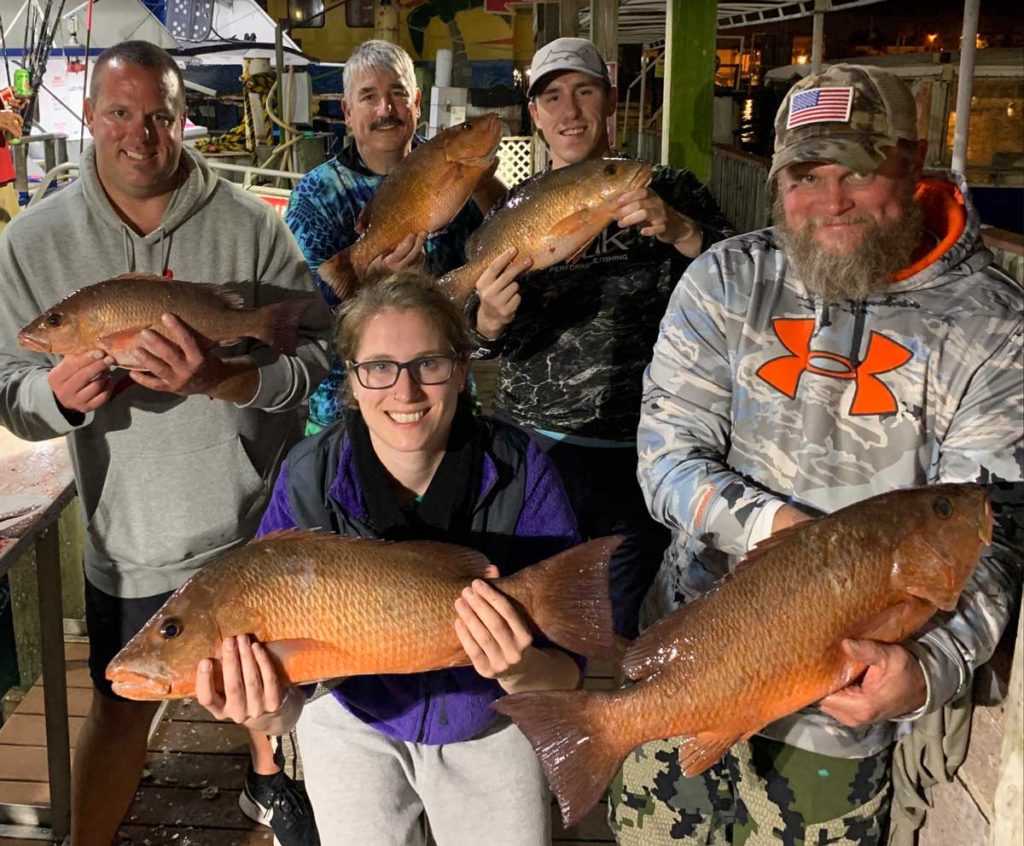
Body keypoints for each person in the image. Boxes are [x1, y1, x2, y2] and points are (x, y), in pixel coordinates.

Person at [613, 64, 1023, 843]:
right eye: (805, 175)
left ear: (912, 163)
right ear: (776, 183)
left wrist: (924, 674)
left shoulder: (994, 328)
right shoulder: (727, 280)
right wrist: (779, 535)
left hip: (840, 719)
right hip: (693, 659)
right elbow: (665, 455)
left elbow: (992, 536)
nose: (829, 202)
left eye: (858, 172)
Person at [0, 41, 331, 846]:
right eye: (119, 113)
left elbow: (321, 352)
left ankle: (270, 783)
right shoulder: (31, 243)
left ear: (183, 118)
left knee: (271, 687)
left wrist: (229, 379)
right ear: (88, 117)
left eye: (159, 116)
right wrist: (57, 396)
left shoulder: (251, 226)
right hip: (130, 540)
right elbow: (13, 389)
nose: (140, 134)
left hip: (253, 526)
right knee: (119, 706)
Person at [196, 271, 586, 845]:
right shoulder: (309, 475)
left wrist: (517, 668)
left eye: (428, 364)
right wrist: (265, 713)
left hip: (493, 719)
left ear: (460, 370)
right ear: (352, 380)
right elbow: (286, 708)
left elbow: (568, 674)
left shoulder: (523, 469)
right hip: (352, 712)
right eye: (378, 367)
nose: (404, 393)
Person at [470, 36, 733, 639]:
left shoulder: (671, 188)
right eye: (553, 97)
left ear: (610, 103)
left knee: (621, 620)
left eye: (585, 92)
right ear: (534, 115)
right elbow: (476, 340)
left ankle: (616, 722)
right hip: (534, 444)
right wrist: (487, 320)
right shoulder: (516, 207)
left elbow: (739, 284)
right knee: (530, 611)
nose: (570, 111)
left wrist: (683, 231)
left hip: (641, 446)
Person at [286, 39, 504, 435]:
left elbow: (501, 245)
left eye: (397, 93)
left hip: (441, 397)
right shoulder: (314, 194)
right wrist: (369, 279)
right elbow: (304, 306)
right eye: (369, 97)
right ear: (348, 113)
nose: (385, 109)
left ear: (416, 103)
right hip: (342, 409)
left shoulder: (457, 172)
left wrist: (486, 187)